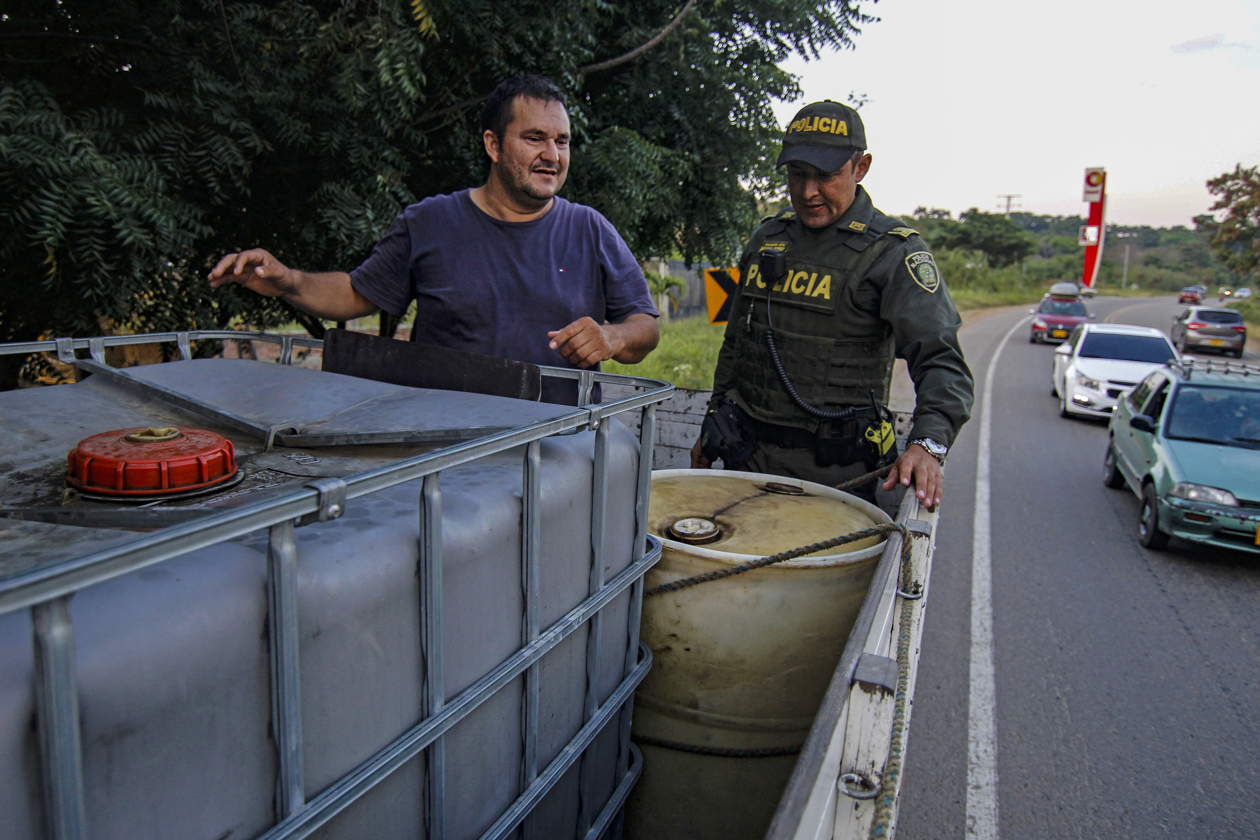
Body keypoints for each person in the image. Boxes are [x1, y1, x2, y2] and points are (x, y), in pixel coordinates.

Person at [208, 75, 659, 404]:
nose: (552, 155)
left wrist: (613, 337)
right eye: (534, 138)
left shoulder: (590, 228)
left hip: (564, 453)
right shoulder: (430, 221)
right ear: (493, 145)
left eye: (562, 141)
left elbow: (646, 326)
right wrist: (289, 281)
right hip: (447, 453)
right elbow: (355, 294)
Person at [690, 100, 973, 507]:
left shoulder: (892, 254)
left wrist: (928, 445)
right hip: (745, 463)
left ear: (861, 168)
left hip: (837, 480)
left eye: (825, 176)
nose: (808, 192)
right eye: (797, 174)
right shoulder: (767, 239)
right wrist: (713, 419)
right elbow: (736, 344)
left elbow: (942, 362)